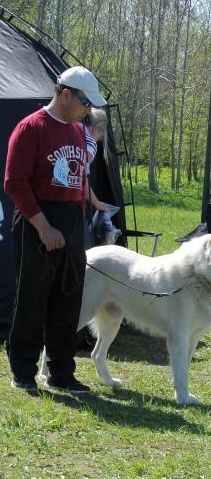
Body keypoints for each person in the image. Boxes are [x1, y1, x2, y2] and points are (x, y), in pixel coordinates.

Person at [4, 65, 107, 393]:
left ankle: (61, 372)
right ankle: (23, 371)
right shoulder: (31, 127)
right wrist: (44, 227)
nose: (87, 110)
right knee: (33, 298)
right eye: (84, 102)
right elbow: (15, 183)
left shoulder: (77, 131)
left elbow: (79, 178)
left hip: (71, 219)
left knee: (69, 297)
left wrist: (82, 216)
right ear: (65, 94)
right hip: (38, 217)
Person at [83, 108, 121, 246]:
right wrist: (97, 203)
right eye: (100, 135)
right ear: (95, 129)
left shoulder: (73, 131)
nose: (99, 139)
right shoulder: (90, 144)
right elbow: (81, 178)